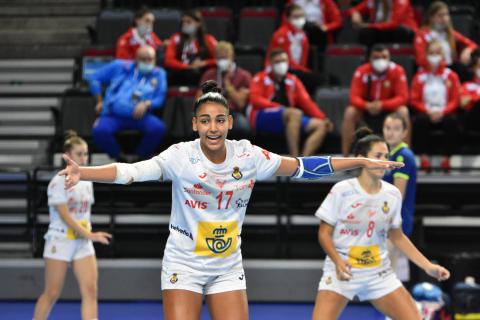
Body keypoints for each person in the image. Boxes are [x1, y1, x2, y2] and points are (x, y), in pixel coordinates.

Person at [59, 80, 403, 320]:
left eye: (220, 120)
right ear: (195, 124)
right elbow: (129, 171)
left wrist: (358, 161)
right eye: (205, 120)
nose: (213, 127)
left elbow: (303, 167)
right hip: (184, 264)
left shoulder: (248, 155)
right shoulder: (180, 157)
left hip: (227, 265)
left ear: (229, 123)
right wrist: (84, 172)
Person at [312, 128, 450, 320]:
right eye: (378, 156)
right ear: (361, 158)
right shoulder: (342, 190)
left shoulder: (392, 194)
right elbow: (324, 234)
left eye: (386, 155)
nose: (384, 160)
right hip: (342, 271)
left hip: (378, 272)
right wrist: (337, 260)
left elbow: (398, 237)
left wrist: (427, 266)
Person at [33, 131, 112, 320]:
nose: (83, 158)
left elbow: (84, 215)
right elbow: (66, 216)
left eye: (85, 153)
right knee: (51, 292)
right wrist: (91, 235)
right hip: (60, 239)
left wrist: (87, 235)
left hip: (82, 242)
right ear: (67, 155)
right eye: (79, 154)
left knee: (91, 290)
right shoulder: (57, 182)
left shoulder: (86, 181)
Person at [88, 46, 167, 161]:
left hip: (140, 117)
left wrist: (147, 103)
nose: (147, 62)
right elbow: (94, 78)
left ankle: (139, 158)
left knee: (158, 129)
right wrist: (99, 101)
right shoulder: (119, 66)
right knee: (99, 130)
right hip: (113, 115)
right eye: (143, 59)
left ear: (155, 59)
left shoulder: (159, 74)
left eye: (150, 59)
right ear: (136, 59)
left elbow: (160, 98)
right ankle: (119, 157)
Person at [249, 49, 332, 157]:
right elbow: (255, 100)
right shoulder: (260, 78)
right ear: (270, 63)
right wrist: (279, 107)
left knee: (321, 125)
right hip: (263, 115)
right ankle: (294, 160)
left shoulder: (293, 80)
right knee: (295, 113)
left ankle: (303, 161)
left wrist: (323, 117)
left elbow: (307, 102)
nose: (281, 65)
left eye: (283, 61)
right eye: (277, 62)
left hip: (289, 117)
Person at [341, 44, 410, 156]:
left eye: (384, 57)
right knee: (350, 112)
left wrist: (382, 105)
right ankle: (346, 156)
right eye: (377, 57)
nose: (381, 61)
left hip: (388, 111)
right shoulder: (361, 71)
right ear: (370, 59)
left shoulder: (397, 71)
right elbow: (353, 97)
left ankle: (405, 155)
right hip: (367, 110)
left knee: (403, 111)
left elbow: (403, 97)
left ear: (389, 58)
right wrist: (367, 105)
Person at [411, 41, 461, 172]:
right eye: (431, 53)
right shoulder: (420, 76)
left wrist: (442, 111)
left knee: (453, 122)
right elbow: (414, 99)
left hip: (444, 112)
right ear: (426, 55)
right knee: (419, 122)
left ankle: (446, 159)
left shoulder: (451, 75)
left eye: (437, 53)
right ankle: (424, 158)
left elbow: (456, 100)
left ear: (442, 55)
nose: (434, 56)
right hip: (426, 112)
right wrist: (428, 111)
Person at [383, 113, 417, 282]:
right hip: (391, 218)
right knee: (390, 267)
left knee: (388, 268)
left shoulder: (402, 156)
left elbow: (398, 194)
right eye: (388, 128)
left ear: (404, 133)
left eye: (396, 129)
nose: (391, 132)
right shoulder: (389, 155)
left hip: (397, 219)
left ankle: (391, 307)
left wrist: (387, 218)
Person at [198, 41, 252, 139]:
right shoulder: (209, 75)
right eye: (219, 58)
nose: (222, 61)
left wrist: (227, 83)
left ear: (232, 57)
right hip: (211, 112)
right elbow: (198, 99)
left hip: (233, 113)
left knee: (242, 127)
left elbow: (240, 103)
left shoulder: (244, 76)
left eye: (225, 58)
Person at [414, 1, 478, 82]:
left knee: (466, 71)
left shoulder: (450, 33)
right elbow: (420, 59)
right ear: (432, 18)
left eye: (446, 14)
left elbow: (473, 44)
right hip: (430, 68)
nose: (445, 18)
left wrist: (468, 50)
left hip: (450, 68)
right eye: (440, 15)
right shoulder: (422, 34)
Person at [267, 4, 321, 94]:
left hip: (297, 70)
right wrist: (305, 72)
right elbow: (283, 59)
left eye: (301, 16)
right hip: (281, 67)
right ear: (288, 18)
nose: (299, 19)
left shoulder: (303, 37)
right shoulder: (281, 35)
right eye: (296, 16)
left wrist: (304, 71)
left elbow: (303, 60)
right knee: (316, 80)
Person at [164, 10, 217, 86]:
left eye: (189, 22)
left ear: (198, 23)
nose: (185, 24)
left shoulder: (208, 39)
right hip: (181, 74)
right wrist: (187, 66)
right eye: (183, 22)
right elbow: (168, 60)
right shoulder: (176, 38)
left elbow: (220, 59)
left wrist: (204, 63)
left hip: (202, 75)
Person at [346, 0, 417, 48]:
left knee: (399, 31)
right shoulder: (373, 1)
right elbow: (353, 9)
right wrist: (354, 13)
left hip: (401, 31)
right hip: (381, 30)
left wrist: (369, 26)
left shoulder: (401, 1)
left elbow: (394, 23)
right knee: (365, 33)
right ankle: (369, 58)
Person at [459, 50, 480, 135]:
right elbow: (463, 103)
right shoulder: (466, 85)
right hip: (472, 120)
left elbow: (468, 100)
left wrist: (472, 98)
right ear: (473, 68)